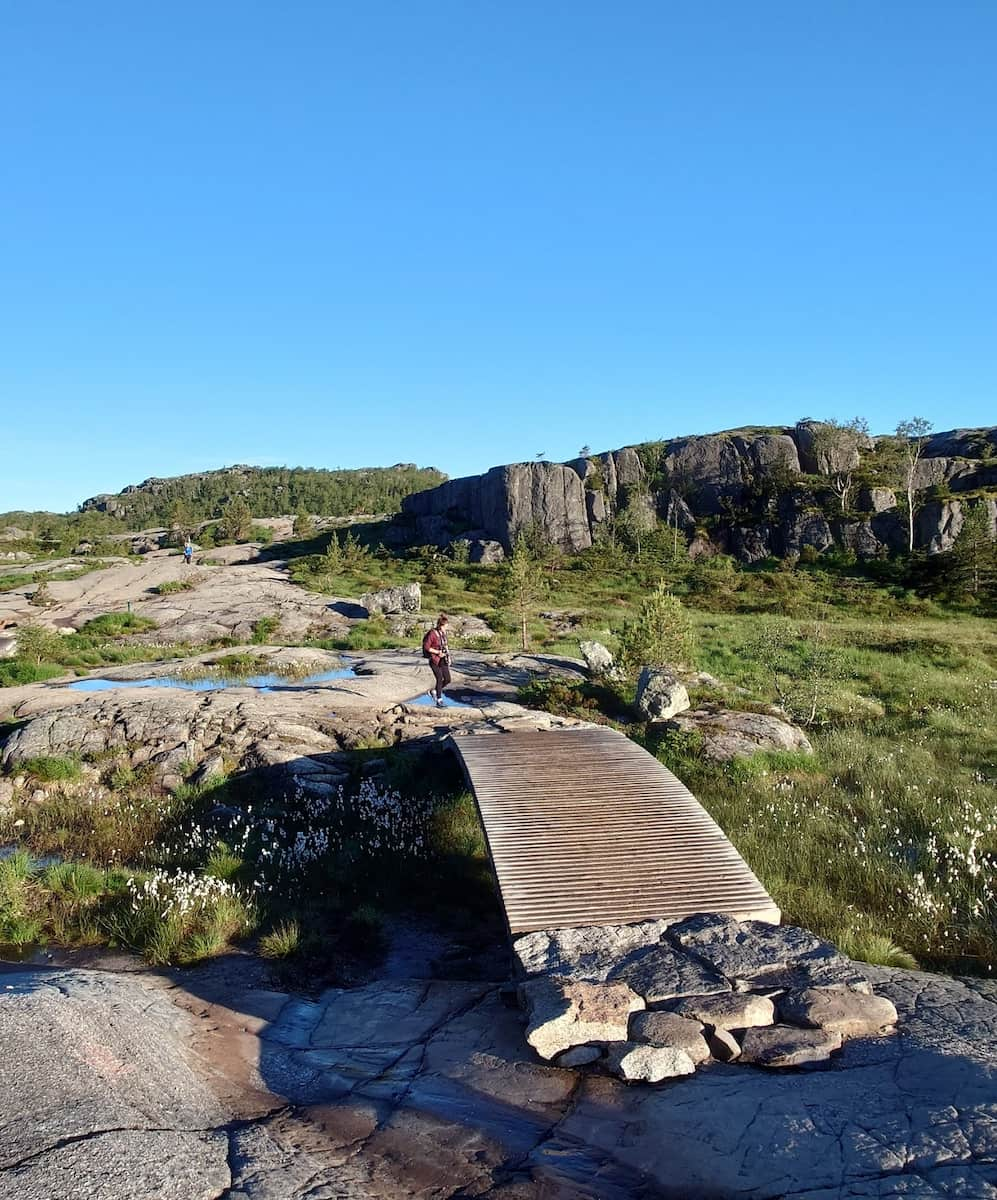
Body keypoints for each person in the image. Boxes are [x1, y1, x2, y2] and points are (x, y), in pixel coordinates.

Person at [422, 614, 451, 707]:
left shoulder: (443, 634)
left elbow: (446, 645)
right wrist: (437, 652)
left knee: (447, 679)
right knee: (439, 678)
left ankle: (434, 691)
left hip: (443, 658)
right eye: (445, 626)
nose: (446, 628)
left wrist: (449, 656)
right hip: (434, 659)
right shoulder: (432, 634)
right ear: (440, 625)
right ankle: (439, 699)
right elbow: (427, 647)